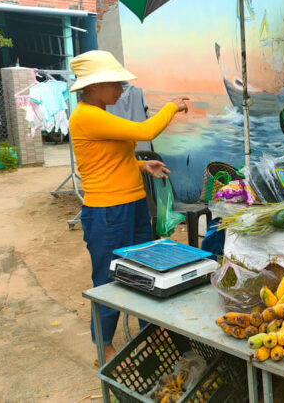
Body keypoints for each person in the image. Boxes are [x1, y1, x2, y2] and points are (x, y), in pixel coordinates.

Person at [68, 50, 189, 363]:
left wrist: (140, 166)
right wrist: (173, 106)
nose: (121, 90)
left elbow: (106, 158)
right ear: (92, 87)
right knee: (109, 278)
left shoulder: (102, 113)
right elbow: (145, 132)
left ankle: (150, 329)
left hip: (132, 203)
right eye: (114, 84)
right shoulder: (86, 115)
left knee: (144, 269)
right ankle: (104, 346)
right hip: (108, 212)